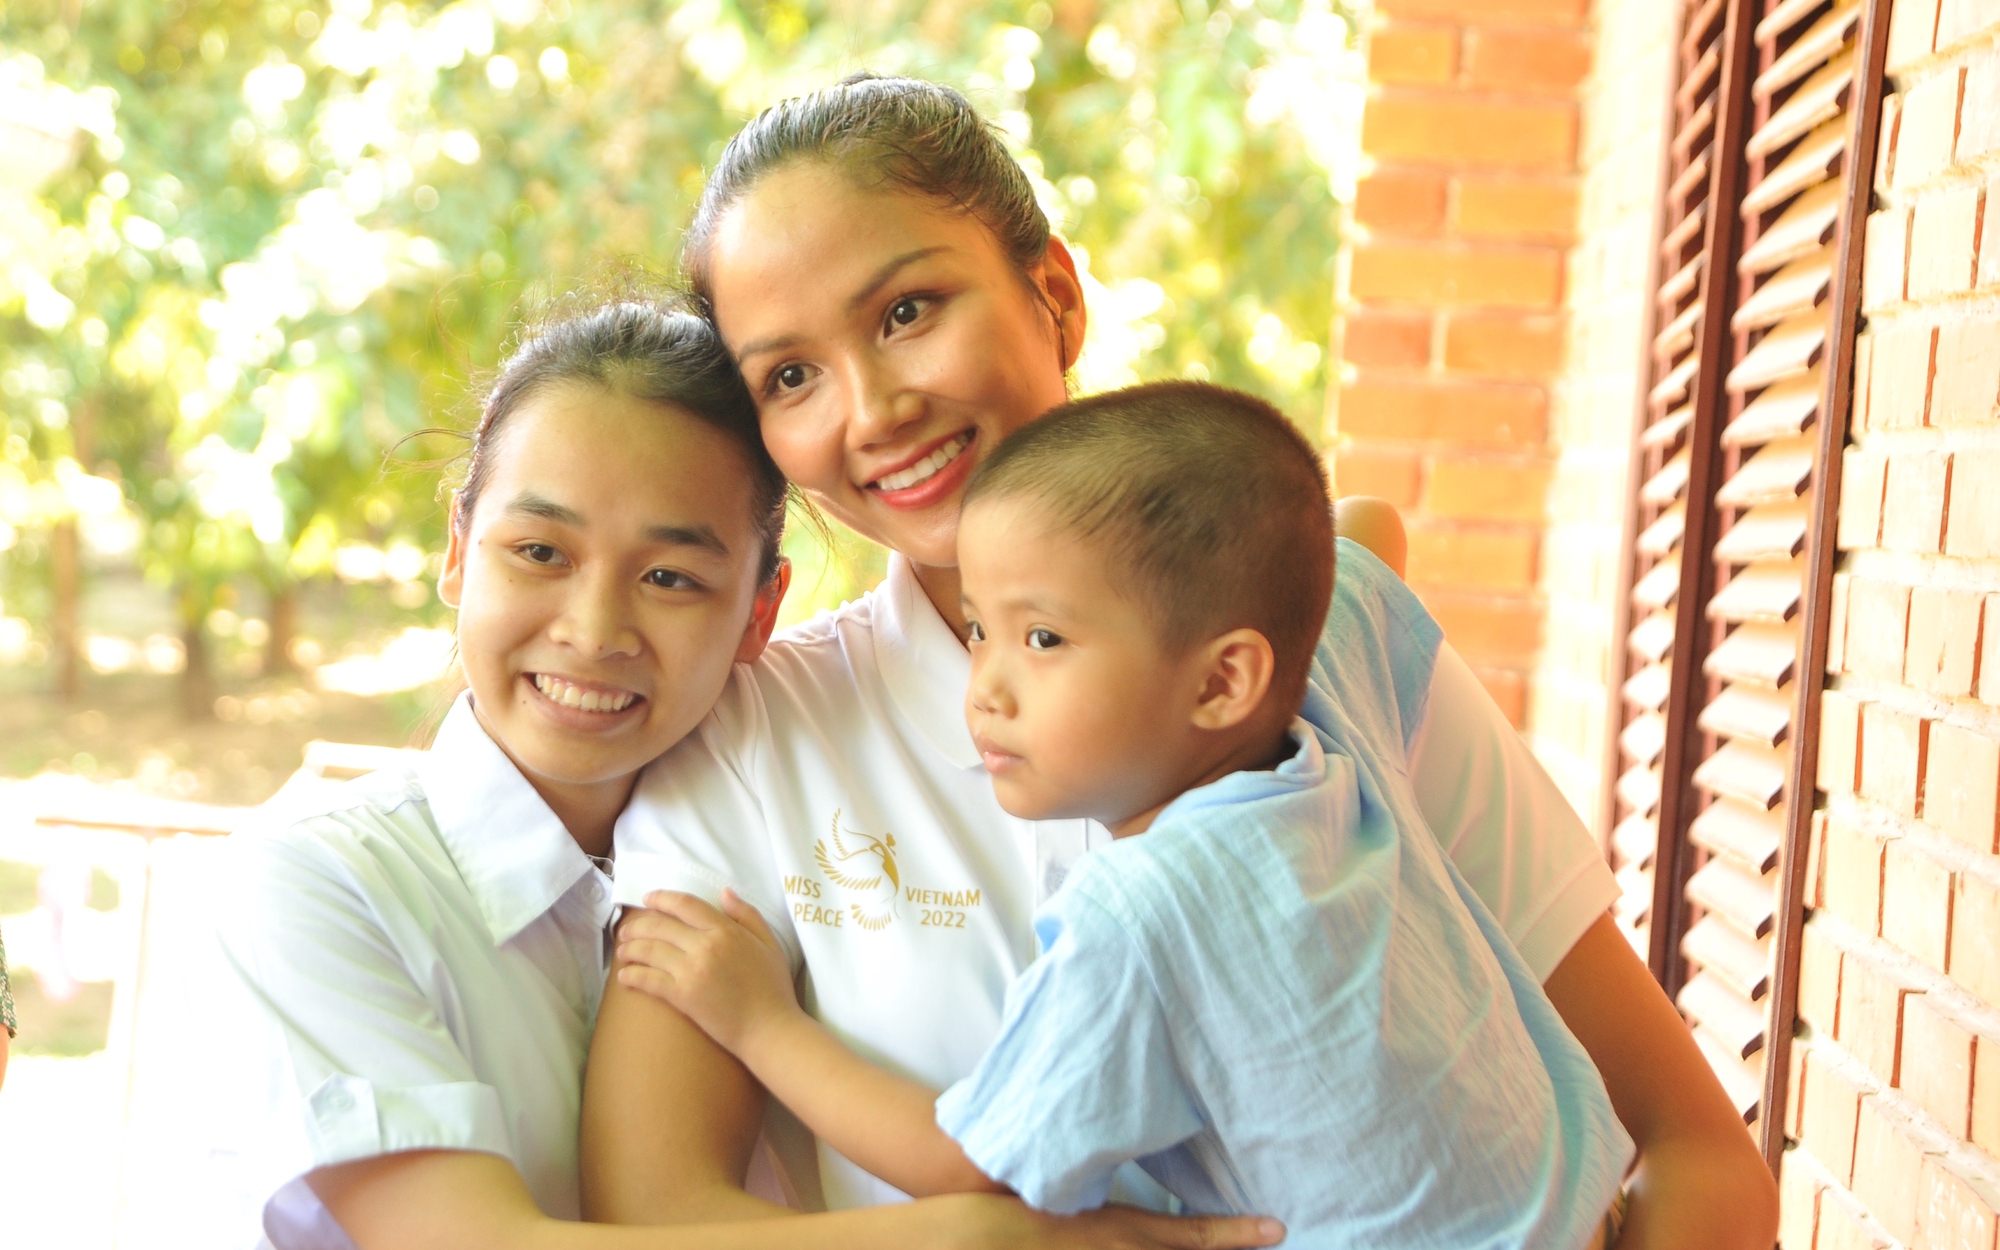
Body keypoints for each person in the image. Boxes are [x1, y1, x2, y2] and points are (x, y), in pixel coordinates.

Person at [588, 75, 1777, 1249]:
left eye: (906, 311)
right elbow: (656, 1210)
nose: (873, 407)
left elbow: (1691, 1150)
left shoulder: (1319, 650)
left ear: (1054, 293)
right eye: (789, 375)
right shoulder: (750, 739)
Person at [217, 297, 1271, 1250]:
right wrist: (987, 1240)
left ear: (759, 612)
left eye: (671, 575)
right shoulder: (318, 877)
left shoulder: (758, 836)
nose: (592, 631)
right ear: (458, 551)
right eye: (538, 552)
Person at [614, 381, 1636, 1247]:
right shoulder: (1328, 736)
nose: (986, 688)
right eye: (979, 629)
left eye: (1045, 637)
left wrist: (760, 1020)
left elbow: (967, 1162)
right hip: (1572, 1204)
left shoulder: (1139, 912)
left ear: (1225, 678)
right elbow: (1366, 536)